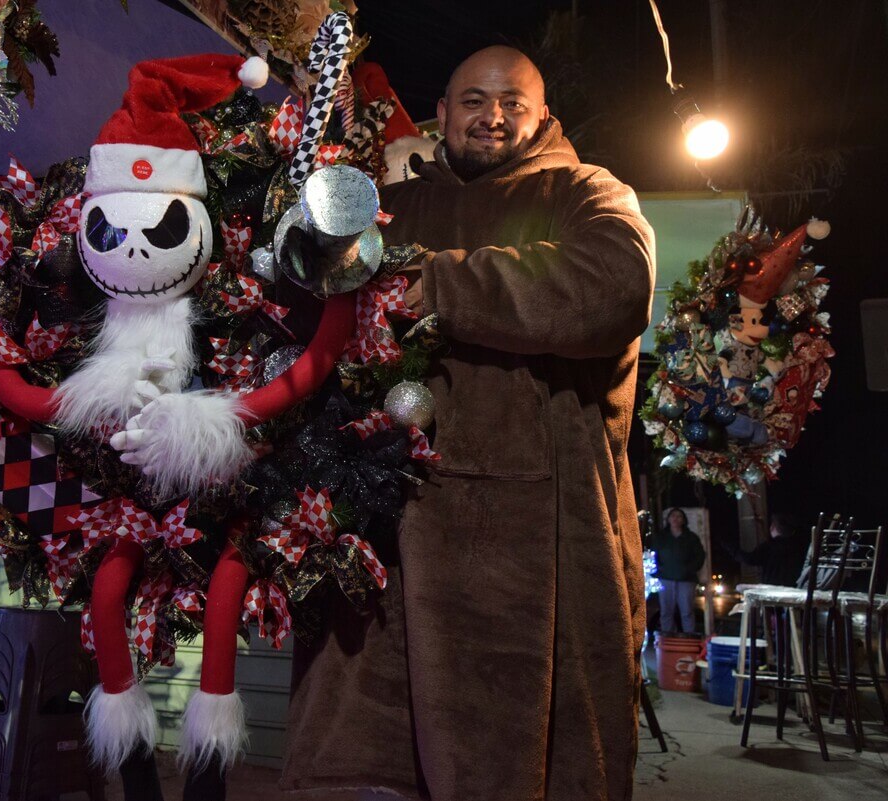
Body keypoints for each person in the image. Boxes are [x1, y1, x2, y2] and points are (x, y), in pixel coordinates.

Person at [280, 47, 655, 801]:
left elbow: (614, 286)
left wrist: (435, 284)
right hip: (383, 543)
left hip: (533, 551)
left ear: (543, 116)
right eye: (475, 101)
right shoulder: (389, 204)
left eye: (513, 102)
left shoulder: (588, 191)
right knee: (358, 765)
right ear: (442, 114)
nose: (493, 116)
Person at [647, 508, 706, 636]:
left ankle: (689, 638)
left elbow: (700, 556)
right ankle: (668, 638)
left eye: (679, 516)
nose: (675, 519)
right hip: (665, 579)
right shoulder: (661, 538)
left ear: (683, 520)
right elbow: (653, 556)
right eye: (673, 516)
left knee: (687, 611)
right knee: (666, 611)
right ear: (668, 519)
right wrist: (659, 570)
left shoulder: (691, 537)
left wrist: (689, 569)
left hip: (686, 580)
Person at [726, 513, 810, 587]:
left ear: (774, 527)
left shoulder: (770, 546)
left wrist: (732, 548)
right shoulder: (798, 547)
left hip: (771, 591)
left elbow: (750, 559)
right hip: (792, 590)